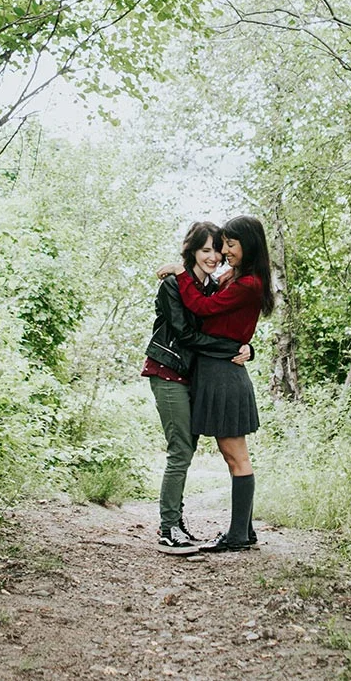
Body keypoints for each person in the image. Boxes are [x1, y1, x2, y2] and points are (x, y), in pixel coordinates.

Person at [166, 215, 273, 553]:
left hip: (225, 375)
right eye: (223, 244)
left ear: (248, 245)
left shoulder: (249, 283)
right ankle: (246, 530)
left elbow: (201, 306)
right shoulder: (233, 277)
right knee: (233, 456)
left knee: (235, 455)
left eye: (231, 244)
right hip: (217, 370)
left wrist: (180, 274)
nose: (225, 251)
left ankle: (238, 535)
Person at [142, 221, 250, 552]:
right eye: (206, 250)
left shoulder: (209, 288)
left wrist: (248, 348)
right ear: (191, 251)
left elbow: (223, 324)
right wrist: (231, 349)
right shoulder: (174, 285)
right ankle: (168, 528)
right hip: (167, 371)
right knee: (180, 450)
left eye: (218, 250)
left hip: (191, 377)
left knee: (185, 450)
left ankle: (176, 523)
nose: (214, 257)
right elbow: (186, 335)